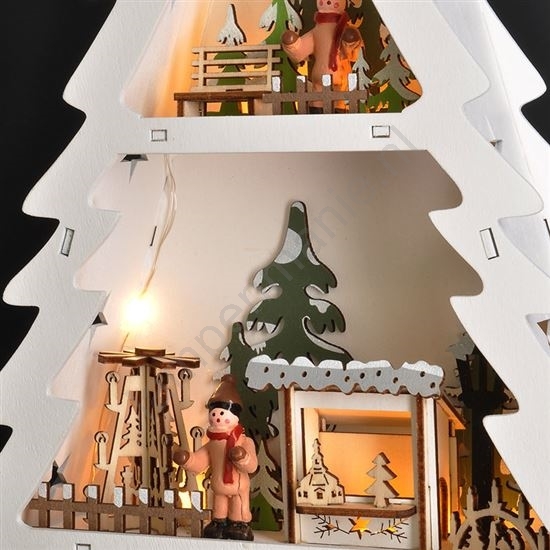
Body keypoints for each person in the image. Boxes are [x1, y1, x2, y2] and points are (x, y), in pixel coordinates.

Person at [173, 374, 258, 540]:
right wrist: (187, 459)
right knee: (219, 505)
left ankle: (238, 524)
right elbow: (200, 460)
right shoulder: (213, 443)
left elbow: (252, 465)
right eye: (214, 414)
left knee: (238, 507)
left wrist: (242, 457)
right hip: (219, 485)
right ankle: (219, 522)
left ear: (234, 416)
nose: (217, 417)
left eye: (222, 413)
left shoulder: (244, 441)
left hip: (238, 486)